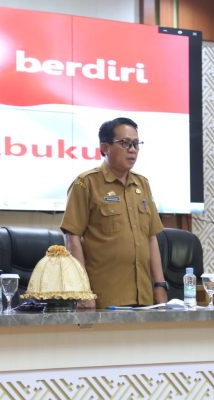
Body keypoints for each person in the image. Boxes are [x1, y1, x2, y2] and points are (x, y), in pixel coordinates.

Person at [60, 117, 168, 309]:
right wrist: (83, 291)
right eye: (125, 143)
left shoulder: (143, 184)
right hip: (105, 297)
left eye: (136, 144)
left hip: (144, 298)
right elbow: (72, 238)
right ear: (105, 147)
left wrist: (160, 286)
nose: (132, 149)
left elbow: (151, 238)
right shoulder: (86, 183)